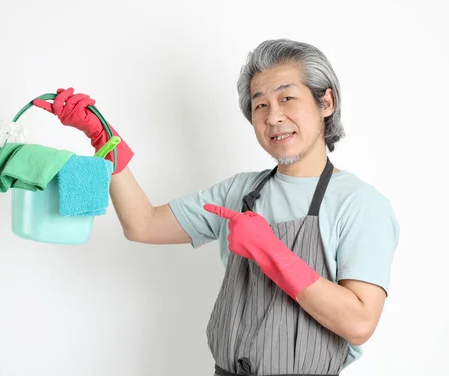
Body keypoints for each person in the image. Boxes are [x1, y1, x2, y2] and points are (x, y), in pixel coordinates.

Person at [33, 38, 400, 375]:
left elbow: (359, 323)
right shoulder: (240, 192)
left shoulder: (359, 204)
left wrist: (267, 249)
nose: (273, 117)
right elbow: (142, 224)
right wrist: (102, 136)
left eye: (287, 98)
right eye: (260, 105)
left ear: (326, 103)